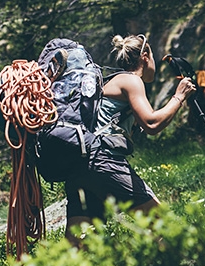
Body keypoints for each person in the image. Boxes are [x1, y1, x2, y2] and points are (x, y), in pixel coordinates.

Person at [64, 34, 196, 244]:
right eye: (153, 56)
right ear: (145, 56)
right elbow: (151, 124)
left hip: (78, 166)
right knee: (162, 226)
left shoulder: (111, 82)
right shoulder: (131, 80)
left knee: (77, 245)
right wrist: (179, 97)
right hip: (103, 161)